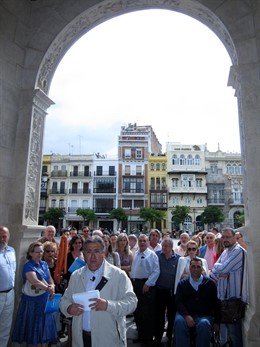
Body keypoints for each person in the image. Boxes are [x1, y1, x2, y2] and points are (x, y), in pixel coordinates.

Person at [59, 235, 137, 347]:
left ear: (103, 253)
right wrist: (68, 308)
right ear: (84, 254)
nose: (93, 256)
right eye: (89, 252)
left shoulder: (118, 275)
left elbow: (132, 303)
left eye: (96, 251)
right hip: (81, 339)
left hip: (108, 339)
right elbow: (64, 301)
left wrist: (108, 305)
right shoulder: (76, 276)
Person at [12, 241, 57, 346]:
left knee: (44, 329)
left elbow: (50, 279)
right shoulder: (28, 266)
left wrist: (52, 287)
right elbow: (35, 282)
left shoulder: (44, 264)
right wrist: (48, 288)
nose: (40, 254)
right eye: (37, 252)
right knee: (32, 328)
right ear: (31, 253)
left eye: (41, 252)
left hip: (44, 300)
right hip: (32, 303)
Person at [211, 228, 249, 347]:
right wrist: (219, 269)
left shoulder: (238, 251)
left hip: (234, 300)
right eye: (223, 237)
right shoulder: (227, 251)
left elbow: (221, 269)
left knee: (234, 335)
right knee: (228, 335)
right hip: (224, 300)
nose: (225, 239)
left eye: (228, 237)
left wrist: (218, 269)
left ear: (234, 238)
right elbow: (213, 272)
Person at [174, 257, 221, 347]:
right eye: (193, 266)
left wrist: (217, 321)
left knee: (204, 324)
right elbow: (178, 302)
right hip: (185, 314)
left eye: (198, 267)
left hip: (204, 315)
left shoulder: (210, 284)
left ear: (202, 268)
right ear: (189, 268)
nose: (196, 269)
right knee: (179, 322)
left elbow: (216, 303)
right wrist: (187, 316)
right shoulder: (182, 284)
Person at [130, 234, 160, 345]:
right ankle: (141, 336)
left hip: (147, 286)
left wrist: (148, 284)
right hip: (136, 285)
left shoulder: (152, 255)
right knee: (137, 312)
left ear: (147, 242)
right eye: (140, 240)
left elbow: (156, 271)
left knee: (147, 314)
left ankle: (148, 339)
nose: (142, 242)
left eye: (144, 241)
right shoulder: (135, 253)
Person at [154, 237, 180, 346]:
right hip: (159, 290)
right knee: (159, 315)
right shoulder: (157, 255)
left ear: (171, 247)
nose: (163, 248)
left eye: (166, 246)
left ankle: (169, 336)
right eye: (162, 245)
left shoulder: (178, 259)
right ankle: (158, 337)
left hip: (171, 292)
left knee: (171, 315)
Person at [0, 226, 16, 347]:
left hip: (10, 294)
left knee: (5, 328)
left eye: (4, 236)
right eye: (0, 236)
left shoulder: (12, 251)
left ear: (8, 236)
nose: (2, 238)